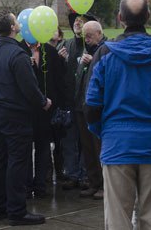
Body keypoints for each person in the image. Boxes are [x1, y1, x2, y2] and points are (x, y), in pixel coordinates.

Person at [85, 0, 151, 230]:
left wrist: (105, 133)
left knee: (118, 220)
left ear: (120, 18)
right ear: (148, 16)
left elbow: (90, 106)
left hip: (117, 146)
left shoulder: (105, 54)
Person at [0, 11, 51, 226]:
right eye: (15, 20)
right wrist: (43, 102)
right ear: (12, 27)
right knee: (17, 162)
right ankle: (17, 211)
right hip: (15, 115)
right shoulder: (18, 55)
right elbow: (29, 87)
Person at [19, 38, 65, 196]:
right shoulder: (18, 50)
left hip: (46, 108)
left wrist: (56, 105)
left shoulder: (50, 51)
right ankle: (25, 185)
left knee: (43, 147)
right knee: (24, 148)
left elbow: (58, 80)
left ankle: (40, 185)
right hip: (25, 109)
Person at [58, 12, 97, 189]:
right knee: (69, 141)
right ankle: (72, 174)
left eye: (82, 21)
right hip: (69, 101)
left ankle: (85, 175)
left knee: (87, 142)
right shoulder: (66, 45)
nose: (77, 23)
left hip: (86, 102)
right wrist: (61, 60)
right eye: (75, 21)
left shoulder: (93, 46)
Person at [74, 21, 106, 200]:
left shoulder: (106, 50)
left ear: (99, 33)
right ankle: (93, 182)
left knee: (98, 148)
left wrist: (93, 61)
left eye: (90, 36)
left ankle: (103, 185)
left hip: (96, 109)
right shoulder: (87, 50)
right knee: (87, 148)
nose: (86, 39)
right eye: (84, 36)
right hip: (81, 105)